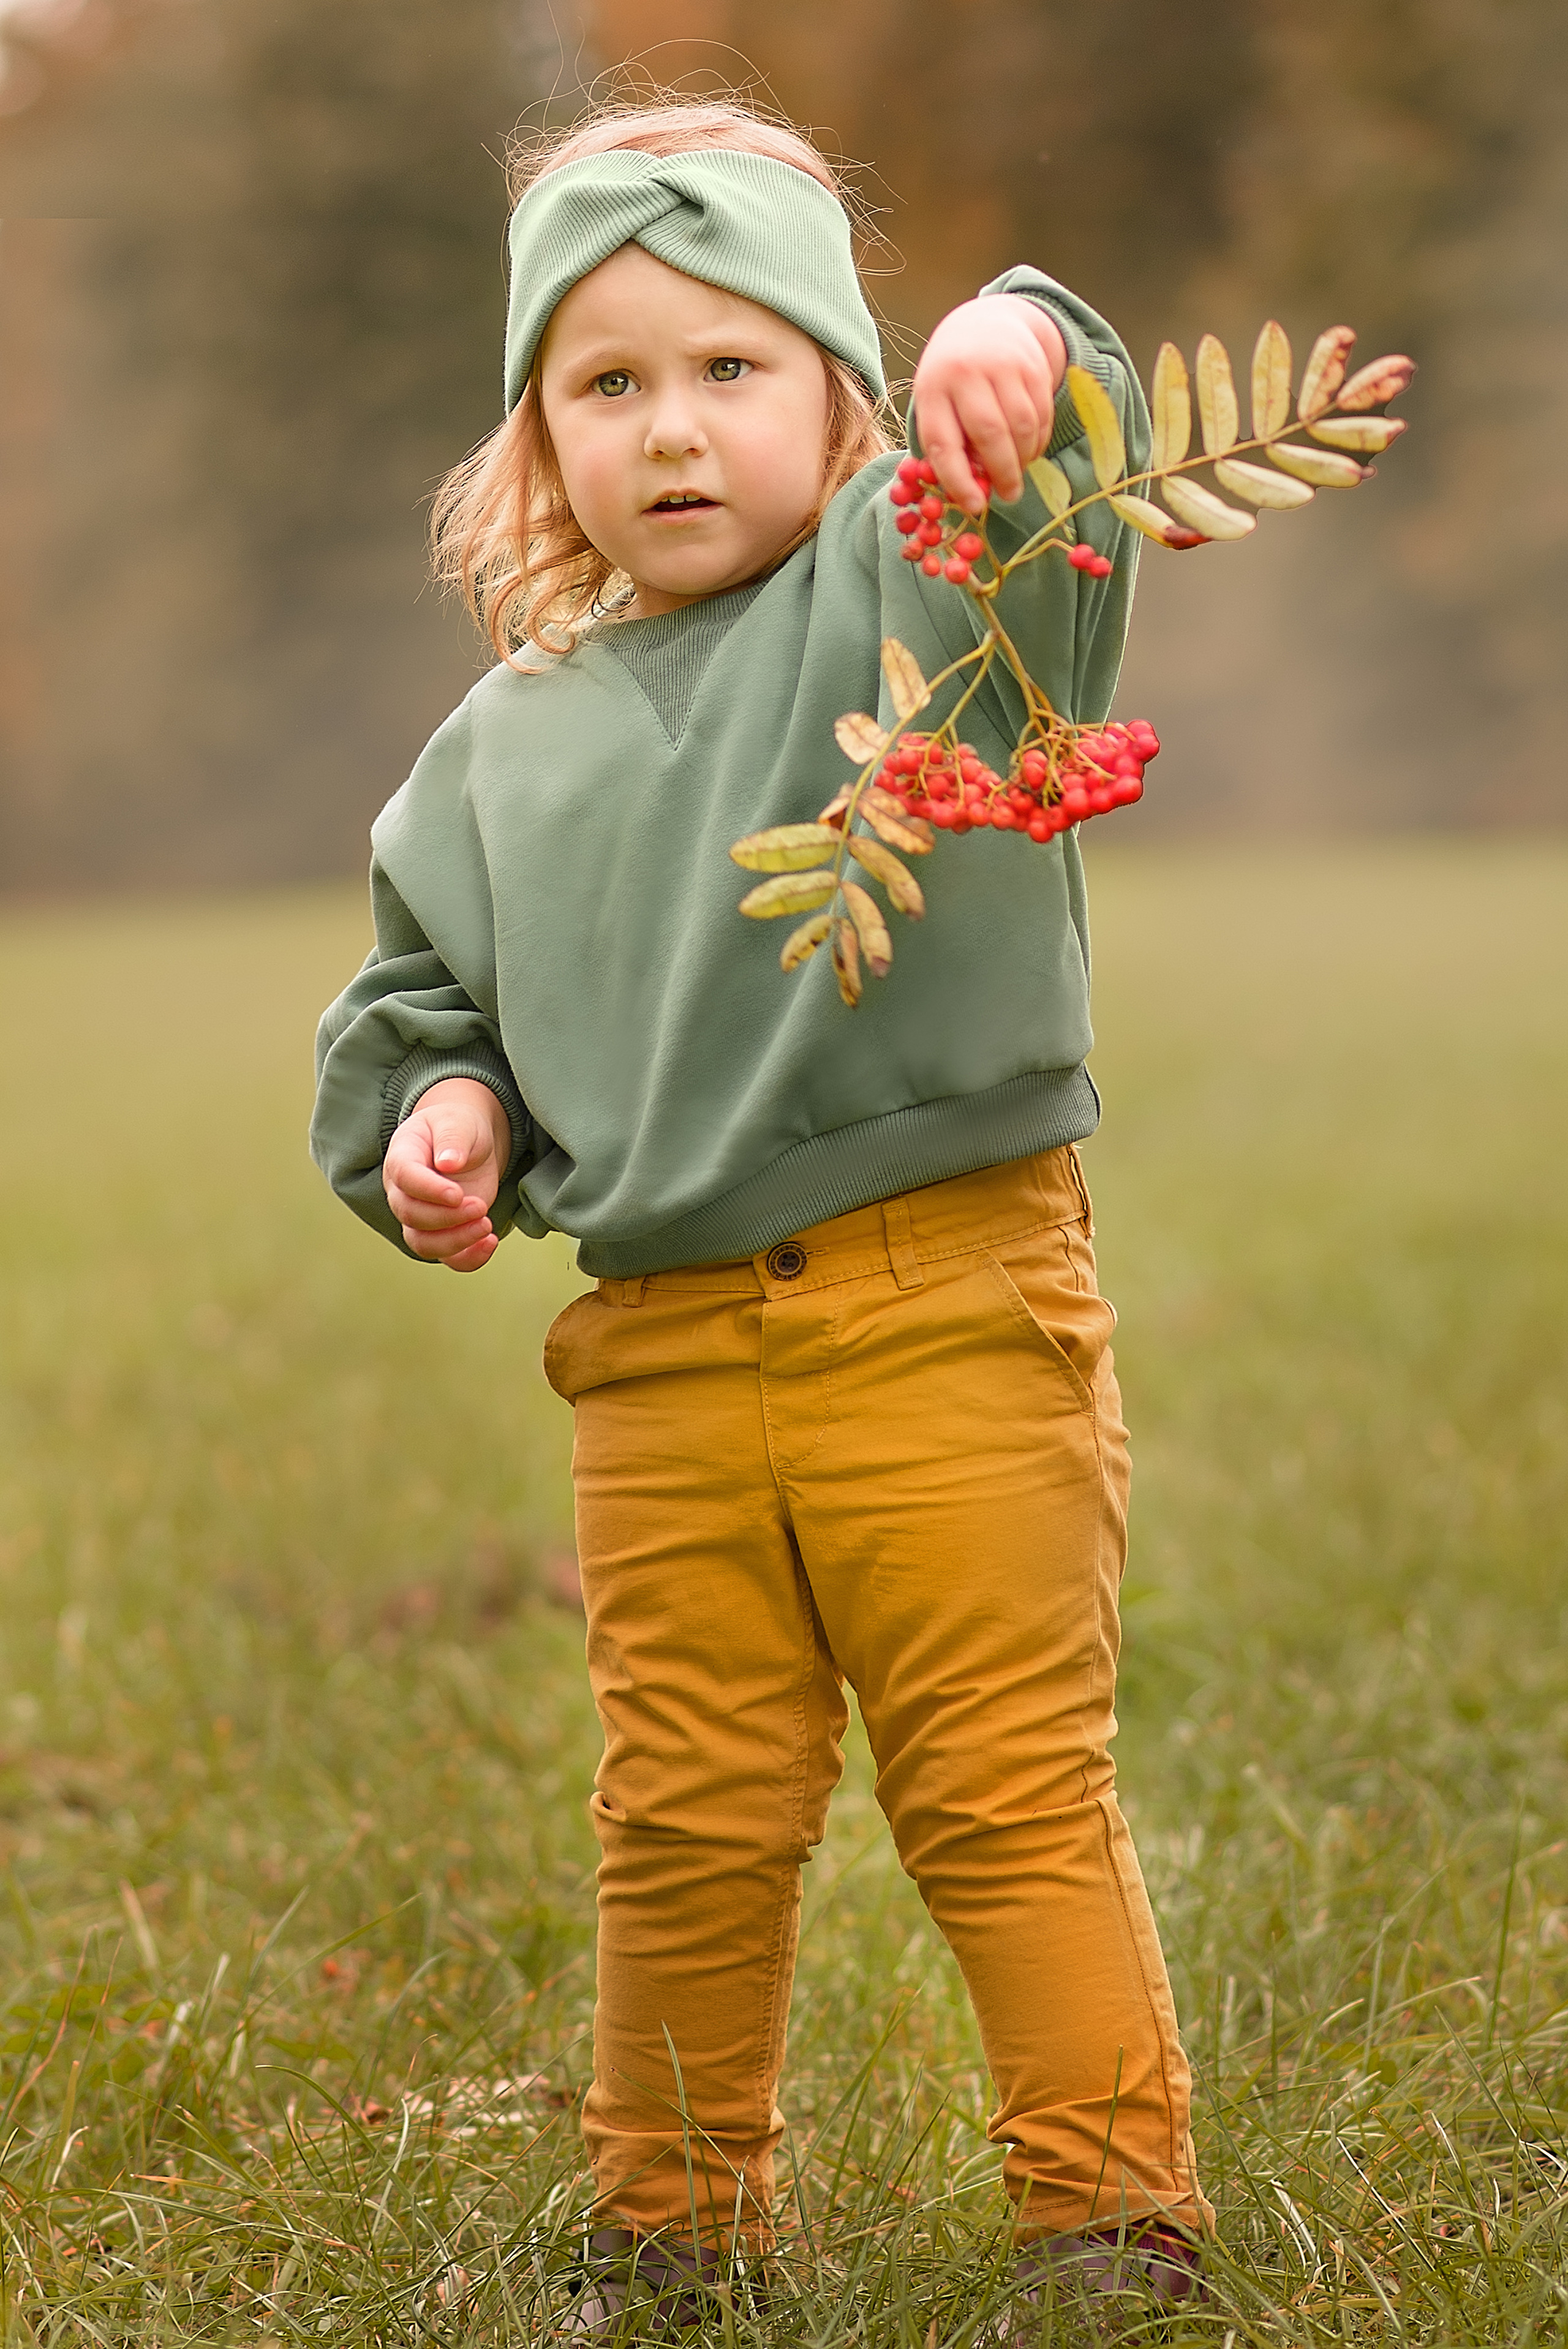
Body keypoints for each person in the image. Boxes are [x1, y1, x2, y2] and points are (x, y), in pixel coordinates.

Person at [311, 95, 1211, 2328]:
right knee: (688, 1816)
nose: (675, 429)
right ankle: (669, 2225)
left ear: (845, 394)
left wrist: (1030, 347)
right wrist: (445, 1107)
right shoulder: (497, 749)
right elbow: (420, 995)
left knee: (1003, 1781)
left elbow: (1067, 520)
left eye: (734, 366)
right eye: (608, 384)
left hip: (951, 1298)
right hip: (666, 1358)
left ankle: (1109, 2219)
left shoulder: (921, 587)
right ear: (540, 443)